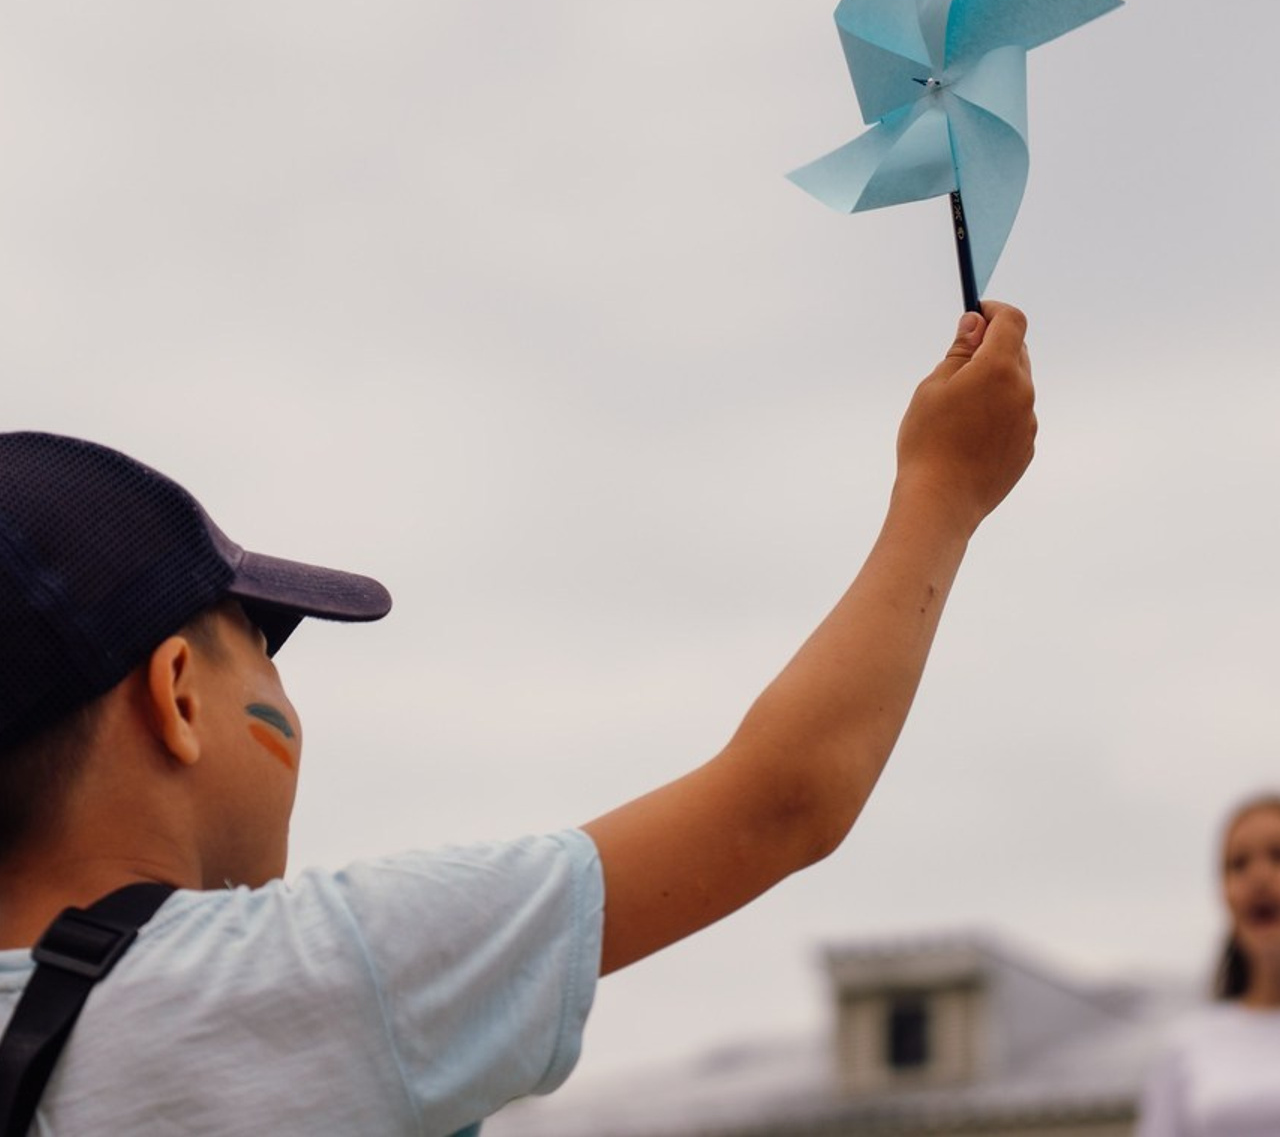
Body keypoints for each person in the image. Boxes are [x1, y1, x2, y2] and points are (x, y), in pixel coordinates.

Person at [0, 302, 1035, 1136]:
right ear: (178, 694)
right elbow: (784, 798)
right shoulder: (317, 972)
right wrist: (941, 487)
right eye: (261, 651)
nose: (282, 697)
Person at [1138, 794, 1280, 1135]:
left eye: (1278, 855)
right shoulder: (1188, 1046)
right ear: (1224, 893)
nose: (1259, 877)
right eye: (1239, 864)